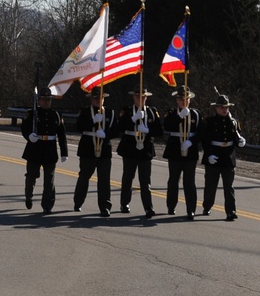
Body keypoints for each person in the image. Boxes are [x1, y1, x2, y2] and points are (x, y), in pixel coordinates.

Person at [20, 87, 68, 214]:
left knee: (49, 180)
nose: (47, 102)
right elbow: (24, 128)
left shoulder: (56, 115)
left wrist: (64, 152)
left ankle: (47, 205)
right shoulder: (32, 113)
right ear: (39, 100)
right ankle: (28, 196)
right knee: (31, 176)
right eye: (44, 99)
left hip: (50, 150)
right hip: (34, 149)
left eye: (49, 100)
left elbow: (62, 134)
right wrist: (29, 136)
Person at [199, 92, 245, 221]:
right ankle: (207, 206)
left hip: (228, 157)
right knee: (210, 185)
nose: (225, 110)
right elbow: (205, 140)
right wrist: (209, 155)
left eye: (226, 107)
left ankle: (231, 211)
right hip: (214, 155)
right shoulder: (209, 122)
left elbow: (235, 137)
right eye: (222, 107)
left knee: (228, 186)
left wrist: (240, 142)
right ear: (216, 108)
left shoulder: (233, 122)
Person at [116, 88, 161, 218]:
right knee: (128, 178)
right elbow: (120, 127)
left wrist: (147, 129)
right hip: (130, 147)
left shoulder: (152, 112)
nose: (140, 99)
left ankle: (148, 208)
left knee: (145, 181)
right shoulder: (128, 111)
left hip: (145, 149)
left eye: (143, 97)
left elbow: (159, 131)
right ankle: (124, 203)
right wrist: (133, 119)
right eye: (138, 97)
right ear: (133, 98)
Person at [73, 88, 117, 217]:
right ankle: (78, 202)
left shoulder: (110, 113)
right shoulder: (85, 112)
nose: (98, 100)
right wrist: (93, 121)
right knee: (84, 177)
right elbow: (79, 127)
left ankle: (105, 207)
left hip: (104, 150)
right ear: (91, 99)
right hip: (88, 149)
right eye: (95, 98)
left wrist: (105, 134)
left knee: (104, 180)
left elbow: (116, 131)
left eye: (100, 98)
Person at [161, 86, 201, 218]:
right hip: (175, 150)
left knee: (189, 181)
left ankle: (191, 209)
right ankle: (171, 206)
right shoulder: (171, 112)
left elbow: (201, 133)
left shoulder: (196, 114)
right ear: (177, 100)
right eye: (181, 99)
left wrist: (191, 141)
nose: (184, 101)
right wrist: (179, 117)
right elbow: (167, 127)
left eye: (186, 99)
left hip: (190, 150)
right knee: (173, 179)